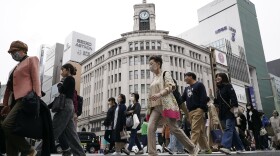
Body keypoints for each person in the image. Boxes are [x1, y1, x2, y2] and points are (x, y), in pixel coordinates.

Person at [146, 55, 199, 156]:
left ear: (158, 64)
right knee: (150, 128)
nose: (150, 66)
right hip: (155, 108)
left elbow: (171, 86)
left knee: (174, 128)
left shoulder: (165, 74)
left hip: (166, 105)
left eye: (151, 64)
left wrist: (159, 94)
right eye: (149, 64)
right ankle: (152, 153)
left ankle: (192, 147)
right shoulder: (154, 79)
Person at [0, 40, 40, 156]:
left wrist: (36, 99)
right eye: (11, 53)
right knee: (12, 131)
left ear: (23, 50)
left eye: (14, 51)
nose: (12, 55)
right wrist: (6, 104)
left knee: (7, 126)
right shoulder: (15, 67)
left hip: (25, 99)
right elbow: (9, 88)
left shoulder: (31, 59)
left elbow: (36, 80)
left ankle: (29, 150)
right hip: (13, 101)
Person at [52, 63, 86, 156]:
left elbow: (62, 91)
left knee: (53, 129)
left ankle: (38, 152)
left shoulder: (69, 79)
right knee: (72, 134)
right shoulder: (69, 80)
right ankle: (80, 154)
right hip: (68, 107)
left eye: (63, 70)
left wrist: (59, 85)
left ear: (68, 70)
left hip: (66, 106)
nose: (61, 72)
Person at [213, 73, 245, 154]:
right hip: (223, 112)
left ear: (223, 77)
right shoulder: (218, 89)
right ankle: (240, 147)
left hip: (230, 111)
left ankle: (225, 146)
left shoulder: (228, 86)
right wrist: (213, 99)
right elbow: (218, 102)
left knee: (228, 128)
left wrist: (234, 107)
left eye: (219, 76)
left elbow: (233, 96)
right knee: (232, 130)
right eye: (216, 77)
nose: (217, 78)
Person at [181, 72, 212, 154]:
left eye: (185, 76)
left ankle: (190, 147)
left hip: (198, 110)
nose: (184, 78)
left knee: (194, 129)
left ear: (191, 77)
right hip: (190, 112)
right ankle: (207, 149)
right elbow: (182, 99)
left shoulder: (199, 85)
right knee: (199, 131)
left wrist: (201, 108)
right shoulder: (187, 89)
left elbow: (203, 97)